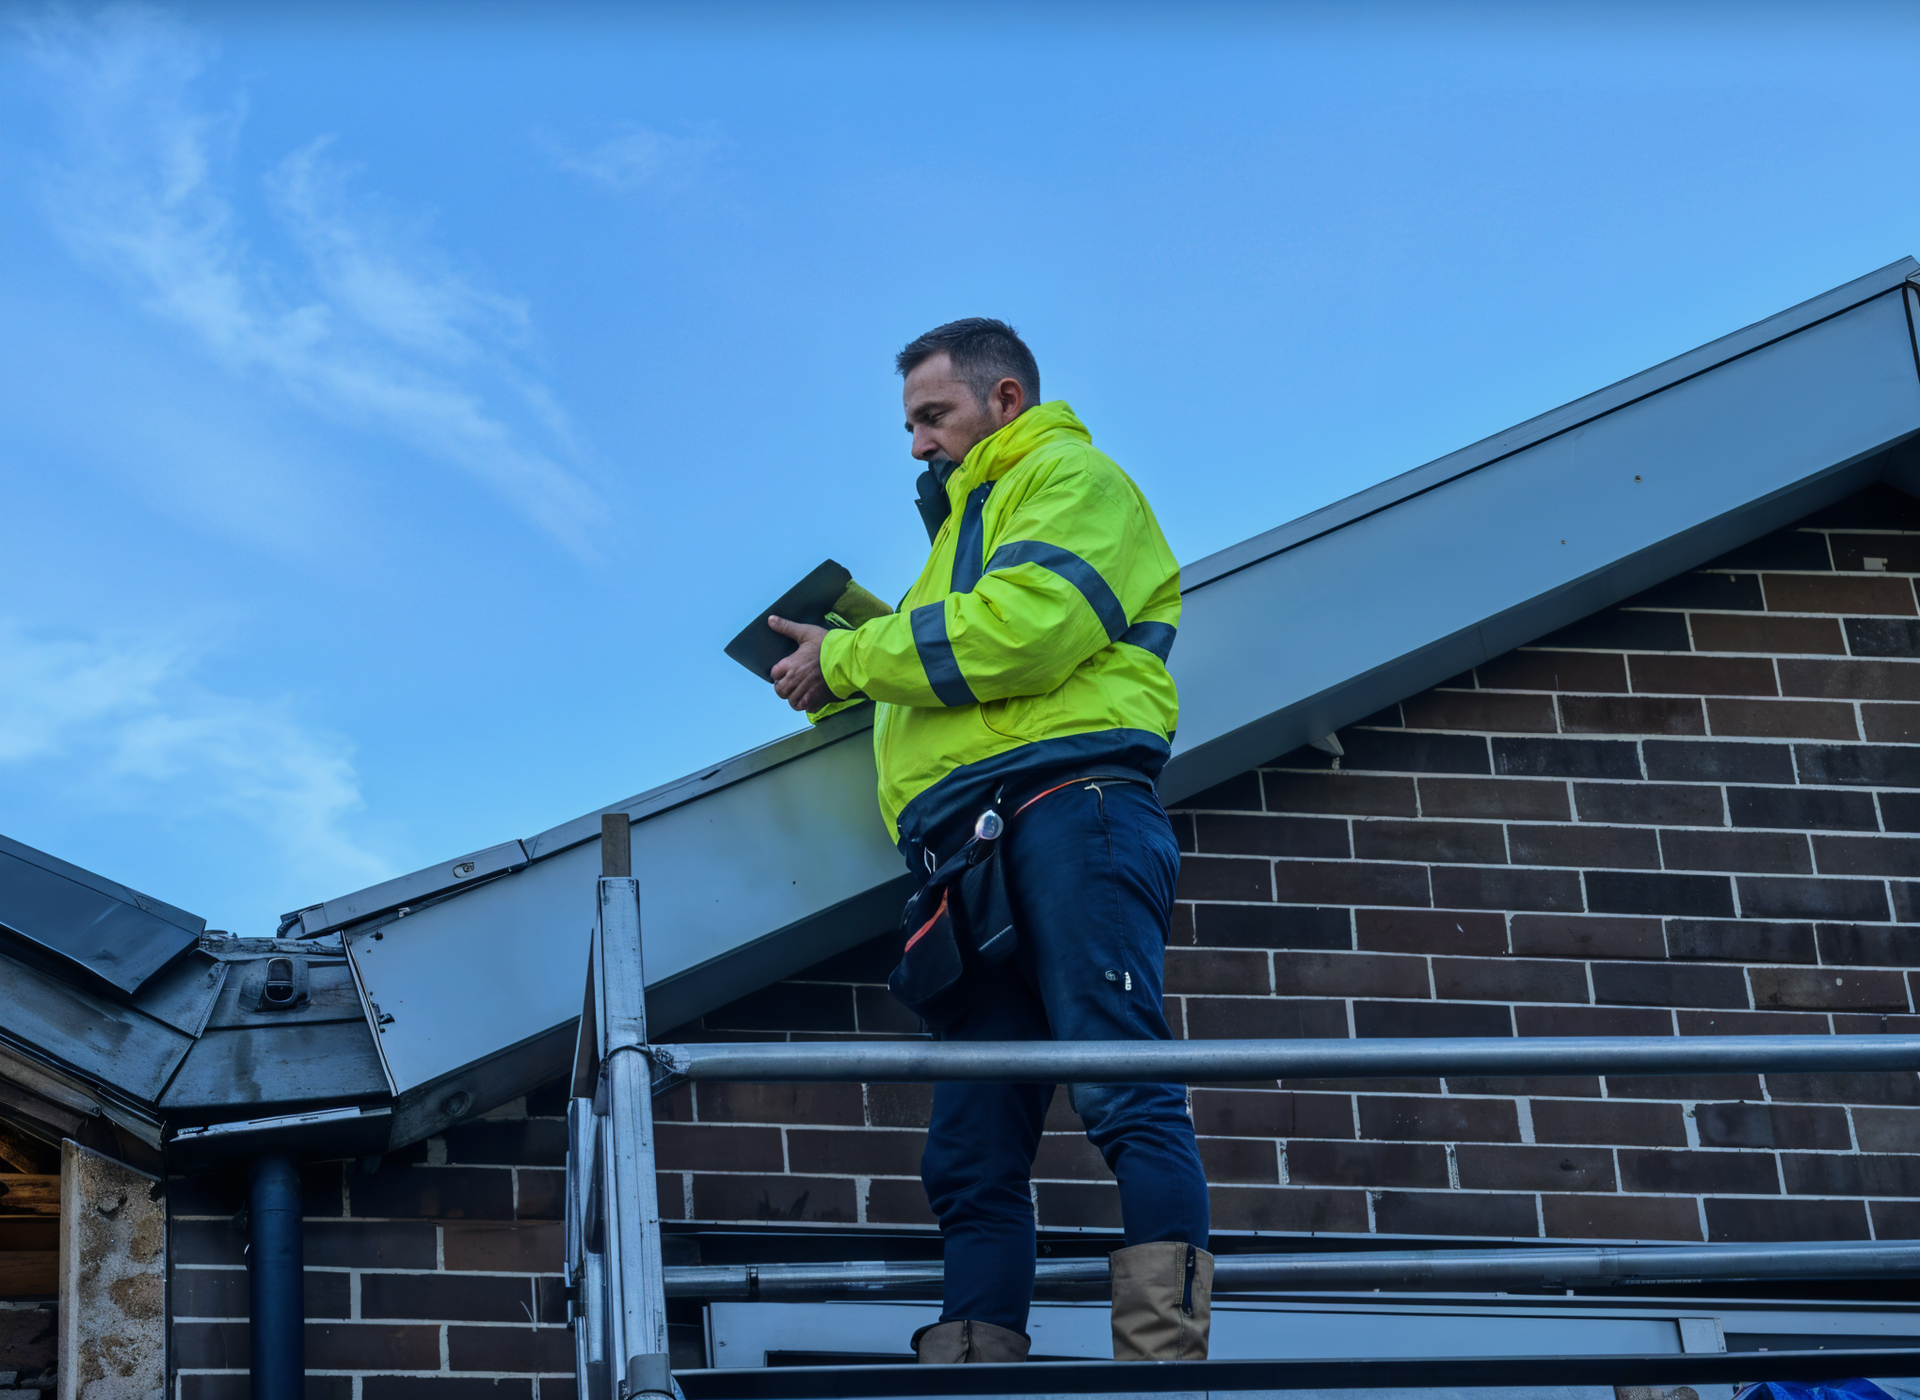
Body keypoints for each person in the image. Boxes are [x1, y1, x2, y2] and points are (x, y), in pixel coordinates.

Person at [765, 318, 1211, 1366]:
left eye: (934, 416)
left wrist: (854, 655)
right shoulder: (952, 549)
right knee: (969, 1144)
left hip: (1067, 804)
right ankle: (974, 1371)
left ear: (1004, 400)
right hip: (969, 854)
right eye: (912, 423)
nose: (917, 443)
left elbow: (1024, 631)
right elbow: (954, 667)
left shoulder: (1071, 476)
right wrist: (837, 677)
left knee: (1118, 1073)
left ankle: (1164, 1368)